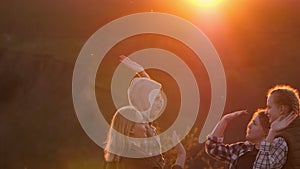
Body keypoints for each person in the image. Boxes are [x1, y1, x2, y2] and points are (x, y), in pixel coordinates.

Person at [103, 106, 185, 169]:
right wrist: (181, 155)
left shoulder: (114, 160)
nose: (146, 127)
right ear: (131, 129)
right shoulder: (137, 158)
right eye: (141, 122)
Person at [253, 85, 300, 169]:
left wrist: (272, 131)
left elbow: (260, 167)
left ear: (281, 109)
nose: (266, 112)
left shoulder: (282, 140)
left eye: (269, 107)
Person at [205, 109, 270, 169]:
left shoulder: (274, 155)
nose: (249, 126)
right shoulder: (243, 148)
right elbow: (212, 147)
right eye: (251, 122)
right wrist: (225, 119)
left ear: (266, 131)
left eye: (255, 124)